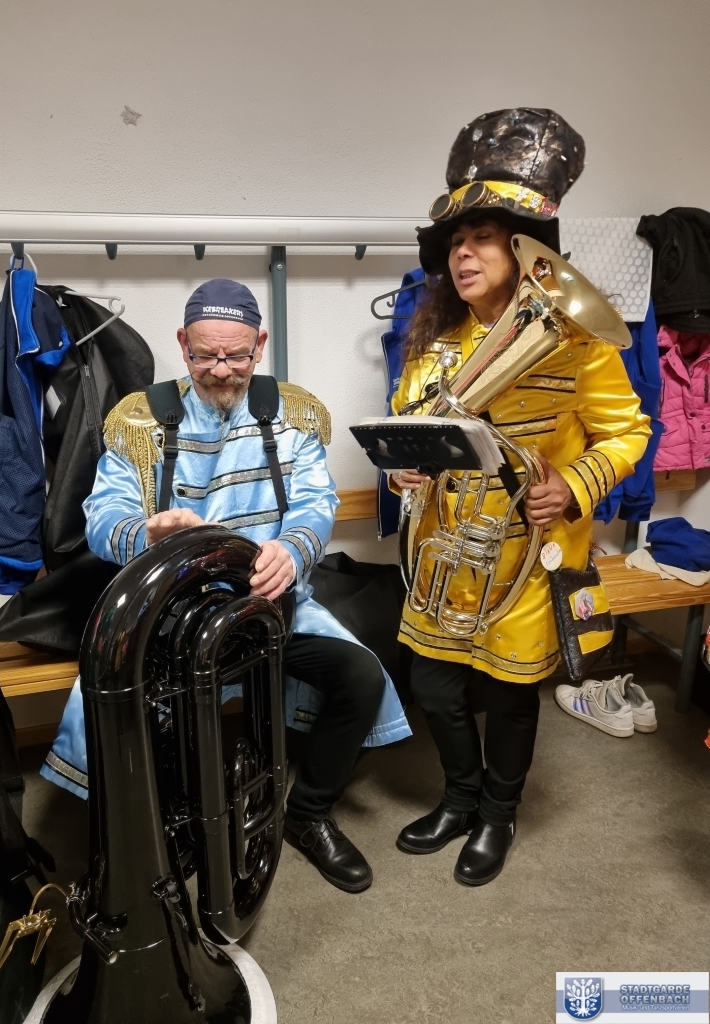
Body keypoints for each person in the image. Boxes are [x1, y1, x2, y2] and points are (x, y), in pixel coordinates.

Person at [41, 277, 410, 894]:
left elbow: (315, 504)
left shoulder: (292, 413)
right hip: (171, 616)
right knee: (122, 705)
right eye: (204, 355)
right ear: (182, 344)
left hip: (269, 605)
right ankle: (165, 826)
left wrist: (293, 551)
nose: (219, 370)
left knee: (361, 676)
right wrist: (145, 533)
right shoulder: (139, 419)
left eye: (235, 356)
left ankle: (308, 812)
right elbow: (101, 518)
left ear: (259, 345)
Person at [390, 109, 651, 885]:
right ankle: (458, 798)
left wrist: (571, 486)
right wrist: (404, 468)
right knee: (433, 685)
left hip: (525, 559)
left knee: (508, 696)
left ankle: (497, 815)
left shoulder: (578, 341)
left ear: (524, 250)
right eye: (454, 243)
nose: (462, 255)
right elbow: (406, 425)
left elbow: (628, 433)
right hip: (443, 553)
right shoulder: (433, 343)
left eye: (482, 239)